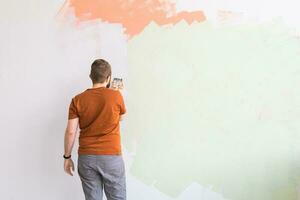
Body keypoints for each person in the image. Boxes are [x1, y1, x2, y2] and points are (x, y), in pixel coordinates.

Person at [63, 59, 127, 200]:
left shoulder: (77, 100)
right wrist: (118, 94)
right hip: (111, 156)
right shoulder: (116, 96)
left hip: (87, 158)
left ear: (91, 76)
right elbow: (120, 119)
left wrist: (67, 157)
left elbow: (71, 131)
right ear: (109, 78)